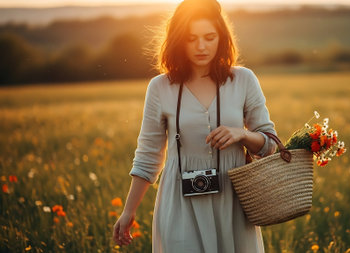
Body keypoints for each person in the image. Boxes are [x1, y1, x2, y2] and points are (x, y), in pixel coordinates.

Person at [112, 0, 277, 252]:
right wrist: (128, 212)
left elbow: (269, 145)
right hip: (180, 201)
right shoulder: (160, 87)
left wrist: (242, 135)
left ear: (221, 38)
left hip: (233, 202)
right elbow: (148, 155)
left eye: (209, 37)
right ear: (179, 40)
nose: (201, 46)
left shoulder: (244, 80)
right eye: (191, 39)